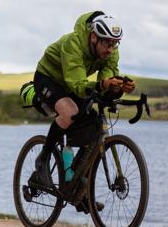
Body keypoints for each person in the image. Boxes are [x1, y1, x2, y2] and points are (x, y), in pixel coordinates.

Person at [29, 11, 136, 211]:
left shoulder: (110, 51)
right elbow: (76, 82)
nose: (111, 50)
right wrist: (102, 84)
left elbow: (105, 80)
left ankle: (78, 189)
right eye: (107, 44)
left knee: (94, 127)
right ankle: (42, 159)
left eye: (115, 44)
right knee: (69, 112)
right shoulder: (73, 43)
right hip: (49, 78)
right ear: (93, 37)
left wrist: (118, 87)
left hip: (73, 83)